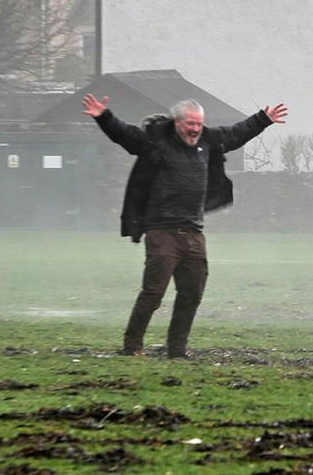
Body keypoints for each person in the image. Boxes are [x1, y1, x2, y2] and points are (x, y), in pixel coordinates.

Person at [82, 93, 287, 358]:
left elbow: (235, 134)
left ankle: (177, 350)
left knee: (192, 294)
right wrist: (104, 117)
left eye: (198, 124)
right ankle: (132, 347)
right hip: (161, 231)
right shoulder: (156, 141)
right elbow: (126, 135)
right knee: (153, 293)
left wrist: (263, 119)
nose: (194, 129)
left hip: (193, 232)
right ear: (177, 122)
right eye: (190, 124)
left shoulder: (208, 141)